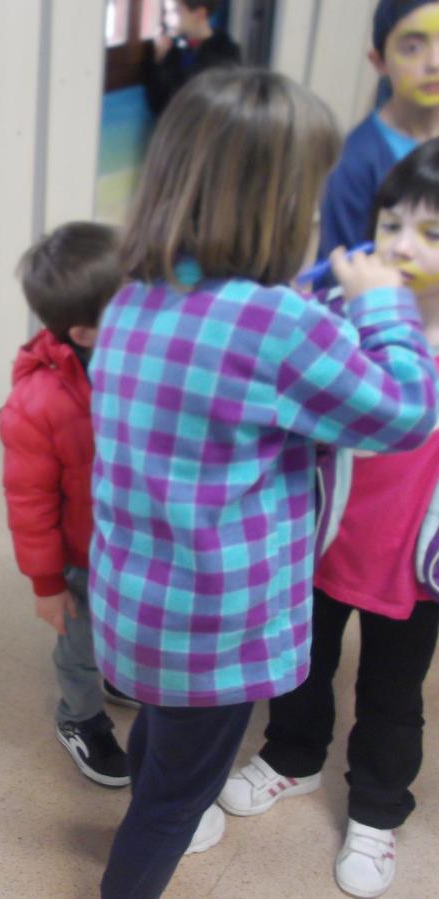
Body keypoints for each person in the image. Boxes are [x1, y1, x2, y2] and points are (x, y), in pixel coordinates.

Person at [90, 67, 438, 899]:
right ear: (277, 203)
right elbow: (405, 411)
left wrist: (320, 295)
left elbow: (236, 375)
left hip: (138, 606)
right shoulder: (279, 326)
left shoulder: (134, 298)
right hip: (217, 626)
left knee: (163, 740)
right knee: (175, 802)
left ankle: (154, 792)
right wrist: (385, 306)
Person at [221, 139, 439, 899]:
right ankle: (293, 756)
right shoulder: (342, 315)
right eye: (391, 225)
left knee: (393, 694)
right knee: (300, 662)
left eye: (432, 232)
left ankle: (377, 809)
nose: (402, 247)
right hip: (321, 540)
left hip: (414, 568)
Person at [0, 222, 130, 788]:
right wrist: (47, 584)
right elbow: (28, 502)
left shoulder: (142, 361)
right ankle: (79, 717)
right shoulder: (38, 403)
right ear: (84, 332)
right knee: (80, 648)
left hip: (134, 542)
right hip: (81, 555)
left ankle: (119, 676)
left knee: (125, 627)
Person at [318, 0, 439, 263]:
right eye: (412, 48)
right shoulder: (355, 161)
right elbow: (339, 271)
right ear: (379, 61)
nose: (435, 63)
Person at [144, 0, 241, 118]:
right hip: (173, 124)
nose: (166, 19)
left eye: (175, 11)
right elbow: (157, 104)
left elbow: (222, 104)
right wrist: (159, 59)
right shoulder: (170, 48)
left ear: (199, 14)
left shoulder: (226, 52)